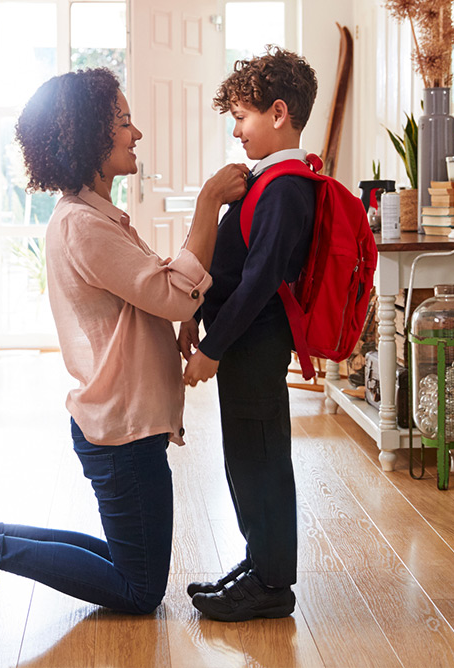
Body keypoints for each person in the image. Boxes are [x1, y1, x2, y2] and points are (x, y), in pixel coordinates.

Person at [0, 68, 248, 619]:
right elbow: (174, 293)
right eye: (124, 122)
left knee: (130, 562)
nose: (137, 134)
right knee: (140, 588)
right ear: (88, 139)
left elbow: (151, 295)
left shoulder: (95, 217)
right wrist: (208, 204)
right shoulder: (85, 226)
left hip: (123, 424)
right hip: (122, 432)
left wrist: (177, 314)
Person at [180, 46, 319, 622]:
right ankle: (259, 563)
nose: (236, 130)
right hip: (243, 342)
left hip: (254, 344)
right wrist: (196, 312)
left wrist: (213, 348)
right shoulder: (266, 180)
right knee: (244, 456)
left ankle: (272, 585)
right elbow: (234, 265)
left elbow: (261, 280)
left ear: (278, 112)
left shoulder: (287, 186)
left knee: (261, 459)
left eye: (242, 117)